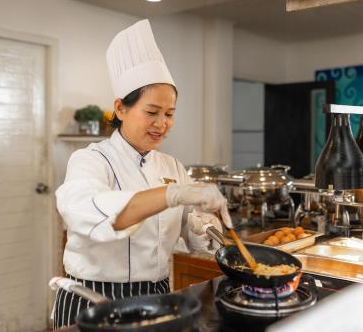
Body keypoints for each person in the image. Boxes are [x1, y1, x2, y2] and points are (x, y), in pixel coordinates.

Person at [52, 19, 231, 329]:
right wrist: (172, 195)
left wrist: (206, 226)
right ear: (120, 109)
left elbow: (190, 231)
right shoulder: (90, 160)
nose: (162, 123)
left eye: (170, 114)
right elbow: (89, 212)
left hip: (157, 297)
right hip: (94, 299)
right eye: (152, 112)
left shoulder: (172, 166)